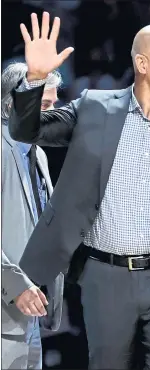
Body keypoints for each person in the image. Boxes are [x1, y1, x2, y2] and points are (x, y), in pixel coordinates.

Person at [10, 12, 150, 369]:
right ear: (142, 63)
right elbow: (28, 132)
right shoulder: (93, 107)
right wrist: (36, 79)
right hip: (105, 278)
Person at [1, 62, 65, 369]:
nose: (52, 113)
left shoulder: (37, 152)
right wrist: (15, 285)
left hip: (29, 311)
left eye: (54, 104)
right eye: (44, 105)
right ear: (13, 104)